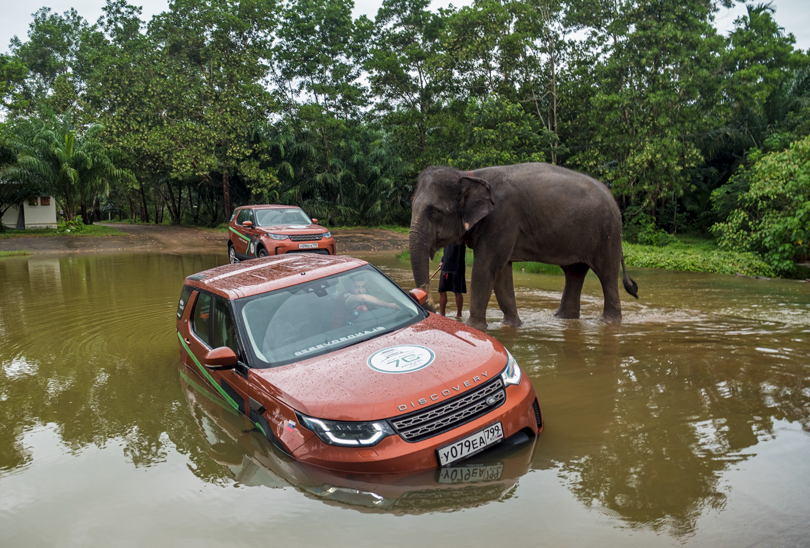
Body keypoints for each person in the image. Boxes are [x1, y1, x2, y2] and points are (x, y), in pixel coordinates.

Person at [438, 243, 466, 317]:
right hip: (445, 267)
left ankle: (459, 315)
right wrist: (442, 260)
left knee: (457, 292)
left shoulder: (461, 235)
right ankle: (442, 314)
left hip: (457, 268)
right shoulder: (447, 237)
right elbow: (447, 251)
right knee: (442, 291)